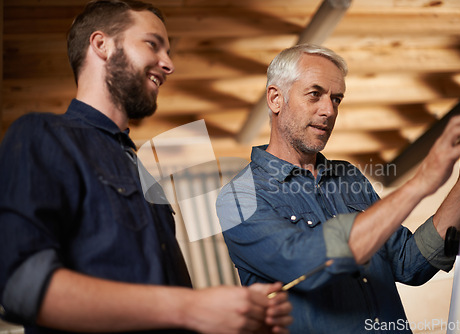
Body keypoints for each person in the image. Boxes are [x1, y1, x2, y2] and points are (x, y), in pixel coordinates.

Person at [0, 1, 293, 333]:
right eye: (153, 44)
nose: (168, 64)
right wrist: (192, 308)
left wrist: (233, 315)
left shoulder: (139, 167)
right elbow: (21, 285)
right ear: (101, 45)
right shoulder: (41, 134)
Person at [216, 44, 460, 333]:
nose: (329, 110)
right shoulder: (239, 198)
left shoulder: (348, 176)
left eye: (336, 99)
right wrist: (420, 183)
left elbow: (407, 263)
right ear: (276, 99)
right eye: (315, 94)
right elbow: (308, 265)